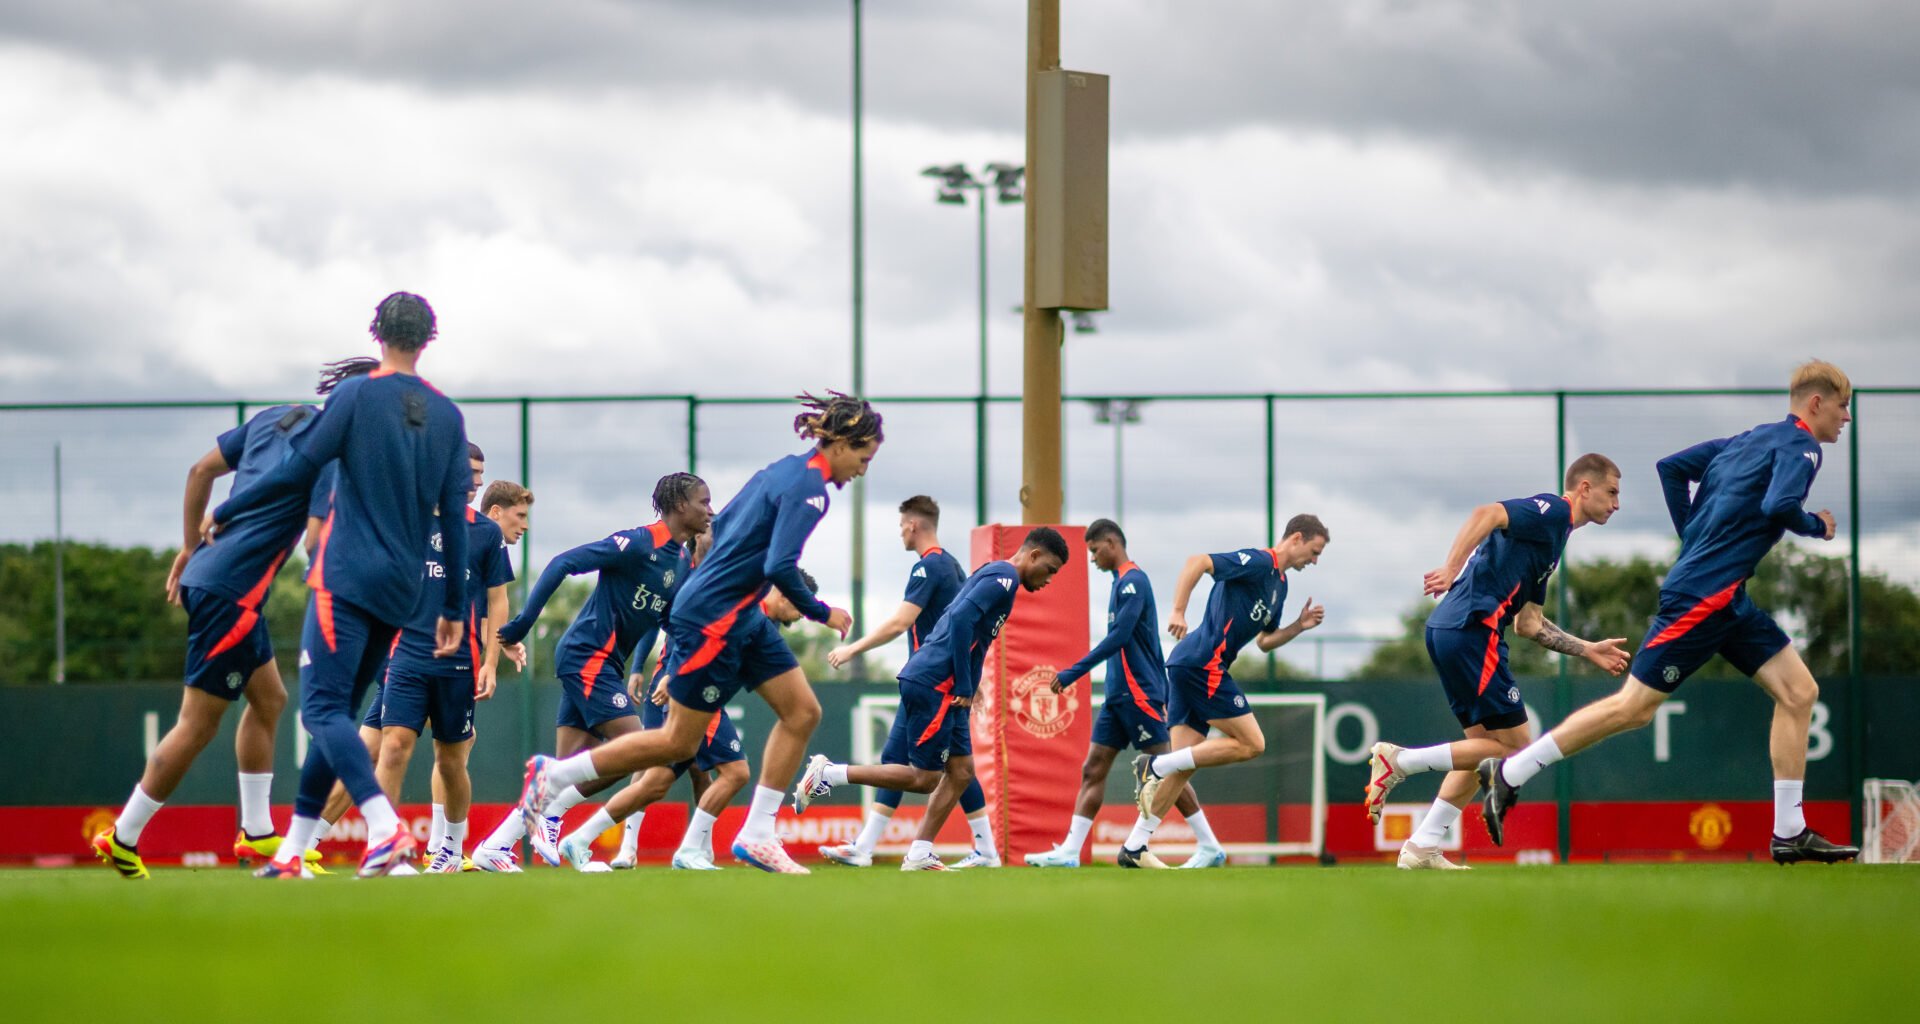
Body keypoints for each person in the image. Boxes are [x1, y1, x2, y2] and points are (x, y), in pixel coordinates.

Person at [1480, 362, 1861, 865]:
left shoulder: (1745, 441)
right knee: (1633, 708)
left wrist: (1693, 537)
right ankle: (1510, 772)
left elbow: (1672, 468)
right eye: (1842, 406)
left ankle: (1789, 832)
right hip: (1704, 596)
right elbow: (1779, 504)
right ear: (1816, 403)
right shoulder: (1803, 447)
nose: (1846, 417)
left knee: (1799, 692)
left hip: (1727, 597)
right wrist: (1816, 526)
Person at [516, 392, 872, 875]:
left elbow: (722, 532)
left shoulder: (779, 471)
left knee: (802, 711)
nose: (863, 469)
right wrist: (821, 611)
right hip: (715, 619)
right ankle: (556, 776)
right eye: (863, 457)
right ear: (842, 443)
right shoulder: (810, 492)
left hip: (739, 616)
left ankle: (757, 834)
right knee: (676, 744)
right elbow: (780, 565)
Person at [218, 291, 472, 880]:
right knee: (337, 717)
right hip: (403, 592)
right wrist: (454, 608)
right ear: (429, 339)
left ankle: (384, 830)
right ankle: (291, 853)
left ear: (376, 331)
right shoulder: (449, 415)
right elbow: (457, 519)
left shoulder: (355, 395)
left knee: (322, 711)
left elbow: (298, 468)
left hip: (346, 578)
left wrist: (229, 510)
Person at [92, 358, 373, 879]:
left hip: (217, 577)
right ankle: (123, 836)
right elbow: (316, 542)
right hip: (233, 593)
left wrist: (189, 548)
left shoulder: (274, 417)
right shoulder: (331, 456)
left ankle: (257, 832)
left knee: (270, 699)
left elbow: (199, 471)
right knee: (197, 724)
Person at [1362, 456, 1629, 869]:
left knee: (1481, 750)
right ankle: (1399, 761)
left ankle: (1423, 846)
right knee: (1516, 747)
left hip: (1453, 630)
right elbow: (1486, 514)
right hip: (1472, 629)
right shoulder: (1552, 511)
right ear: (1584, 488)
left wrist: (1587, 649)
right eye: (1611, 492)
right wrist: (1451, 568)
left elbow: (1529, 624)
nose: (1617, 503)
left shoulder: (1554, 540)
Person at [793, 527, 1070, 871]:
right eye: (1050, 570)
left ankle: (920, 852)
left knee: (961, 771)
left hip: (941, 682)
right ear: (1034, 555)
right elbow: (961, 620)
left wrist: (968, 683)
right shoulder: (1005, 578)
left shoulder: (997, 574)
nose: (1049, 579)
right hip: (937, 683)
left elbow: (961, 623)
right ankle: (830, 774)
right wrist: (965, 683)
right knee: (924, 778)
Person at [472, 473, 712, 870]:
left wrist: (680, 660)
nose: (710, 510)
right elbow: (563, 562)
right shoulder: (638, 542)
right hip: (587, 656)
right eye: (704, 501)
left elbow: (668, 621)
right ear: (681, 505)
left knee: (561, 773)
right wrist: (524, 622)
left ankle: (494, 846)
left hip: (605, 664)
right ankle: (553, 818)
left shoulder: (682, 562)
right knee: (639, 750)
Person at [555, 572, 817, 872]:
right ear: (785, 592)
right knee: (735, 772)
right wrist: (671, 674)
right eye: (801, 605)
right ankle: (689, 849)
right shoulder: (740, 601)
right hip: (690, 693)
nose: (801, 615)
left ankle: (580, 838)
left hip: (697, 693)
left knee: (655, 783)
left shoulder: (765, 621)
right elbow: (692, 634)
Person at [1128, 516, 1329, 867]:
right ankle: (1155, 765)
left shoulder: (1280, 585)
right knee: (1253, 744)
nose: (1314, 561)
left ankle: (1134, 846)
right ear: (1297, 538)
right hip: (1203, 663)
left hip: (1189, 664)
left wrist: (1298, 626)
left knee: (1182, 767)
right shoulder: (1260, 562)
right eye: (1314, 552)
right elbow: (1198, 562)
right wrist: (1178, 611)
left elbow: (1265, 641)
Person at [1027, 518, 1221, 870]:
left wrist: (1073, 673)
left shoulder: (1134, 582)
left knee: (1168, 768)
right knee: (1093, 769)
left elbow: (1120, 637)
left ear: (1112, 544)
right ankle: (1070, 851)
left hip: (1139, 695)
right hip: (1117, 697)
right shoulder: (1120, 583)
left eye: (1094, 550)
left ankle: (1209, 845)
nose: (1092, 558)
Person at [818, 496, 1000, 869]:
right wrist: (970, 678)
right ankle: (868, 846)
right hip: (942, 683)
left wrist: (853, 649)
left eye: (902, 524)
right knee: (945, 765)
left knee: (946, 769)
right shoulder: (954, 567)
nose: (900, 531)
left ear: (913, 525)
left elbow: (901, 622)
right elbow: (967, 630)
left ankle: (837, 785)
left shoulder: (928, 567)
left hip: (932, 684)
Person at [368, 448, 518, 874]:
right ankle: (385, 848)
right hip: (407, 657)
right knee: (393, 747)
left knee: (451, 761)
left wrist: (491, 663)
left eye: (481, 474)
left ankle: (450, 848)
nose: (476, 482)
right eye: (470, 473)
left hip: (459, 663)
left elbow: (498, 601)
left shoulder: (486, 533)